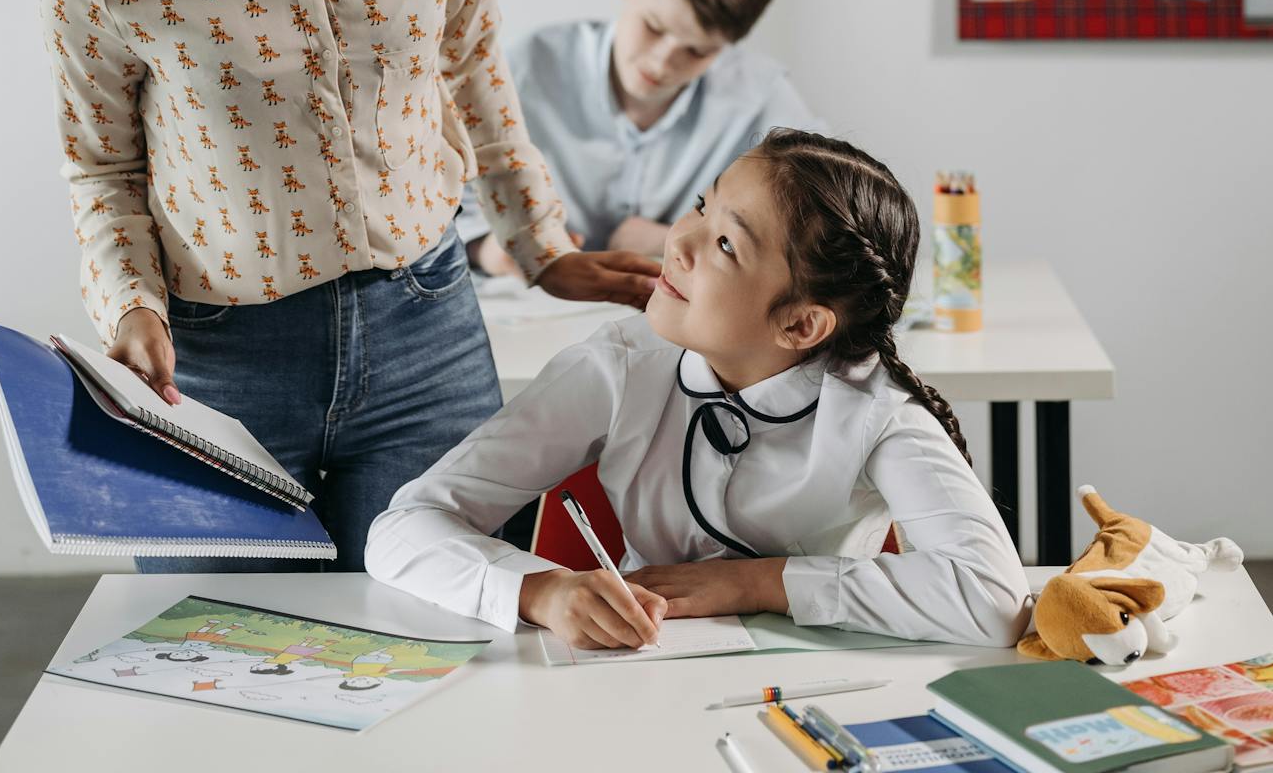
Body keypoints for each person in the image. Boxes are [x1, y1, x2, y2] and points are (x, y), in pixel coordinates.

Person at [40, 0, 660, 570]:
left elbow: (471, 66)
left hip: (428, 329)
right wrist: (128, 306)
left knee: (444, 639)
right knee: (224, 654)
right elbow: (103, 164)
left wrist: (542, 247)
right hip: (217, 361)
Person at [367, 131, 1032, 649]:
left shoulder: (874, 410)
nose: (678, 242)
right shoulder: (619, 365)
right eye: (699, 207)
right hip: (630, 683)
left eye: (723, 243)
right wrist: (537, 591)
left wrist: (755, 582)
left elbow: (992, 599)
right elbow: (402, 528)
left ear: (800, 323)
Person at [458, 0, 813, 270]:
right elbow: (432, 206)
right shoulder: (523, 69)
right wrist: (486, 250)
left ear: (730, 45)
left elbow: (823, 226)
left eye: (696, 52)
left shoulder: (761, 99)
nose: (662, 62)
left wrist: (673, 238)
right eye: (653, 27)